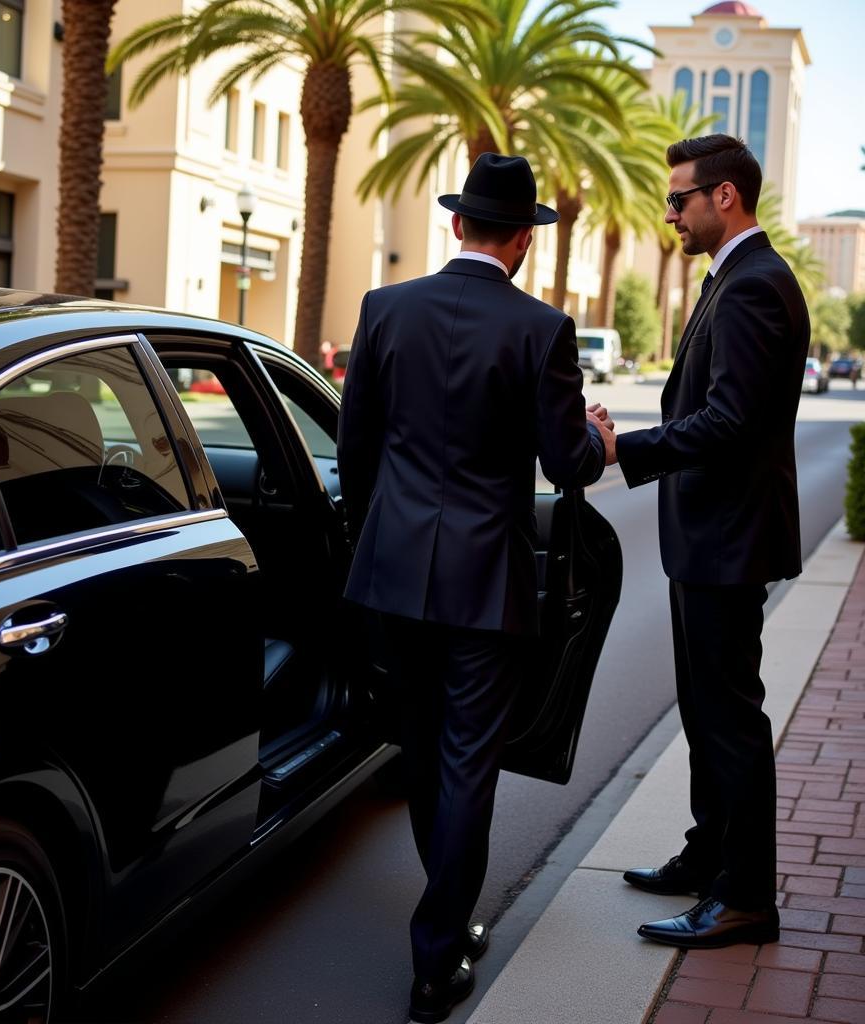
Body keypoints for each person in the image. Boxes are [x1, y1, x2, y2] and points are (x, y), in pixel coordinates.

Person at [337, 152, 614, 1023]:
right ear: (523, 242)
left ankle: (446, 925)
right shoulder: (542, 328)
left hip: (391, 575)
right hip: (488, 586)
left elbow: (354, 453)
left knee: (421, 754)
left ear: (457, 224)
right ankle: (438, 955)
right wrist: (599, 434)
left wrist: (377, 534)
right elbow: (566, 464)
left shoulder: (385, 309)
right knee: (466, 766)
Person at [614, 134, 810, 949]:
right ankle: (707, 857)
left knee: (729, 719)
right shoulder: (734, 278)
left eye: (680, 198)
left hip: (727, 540)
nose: (672, 213)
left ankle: (745, 899)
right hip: (712, 538)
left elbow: (729, 421)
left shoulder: (755, 285)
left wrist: (627, 448)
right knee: (705, 711)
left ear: (723, 196)